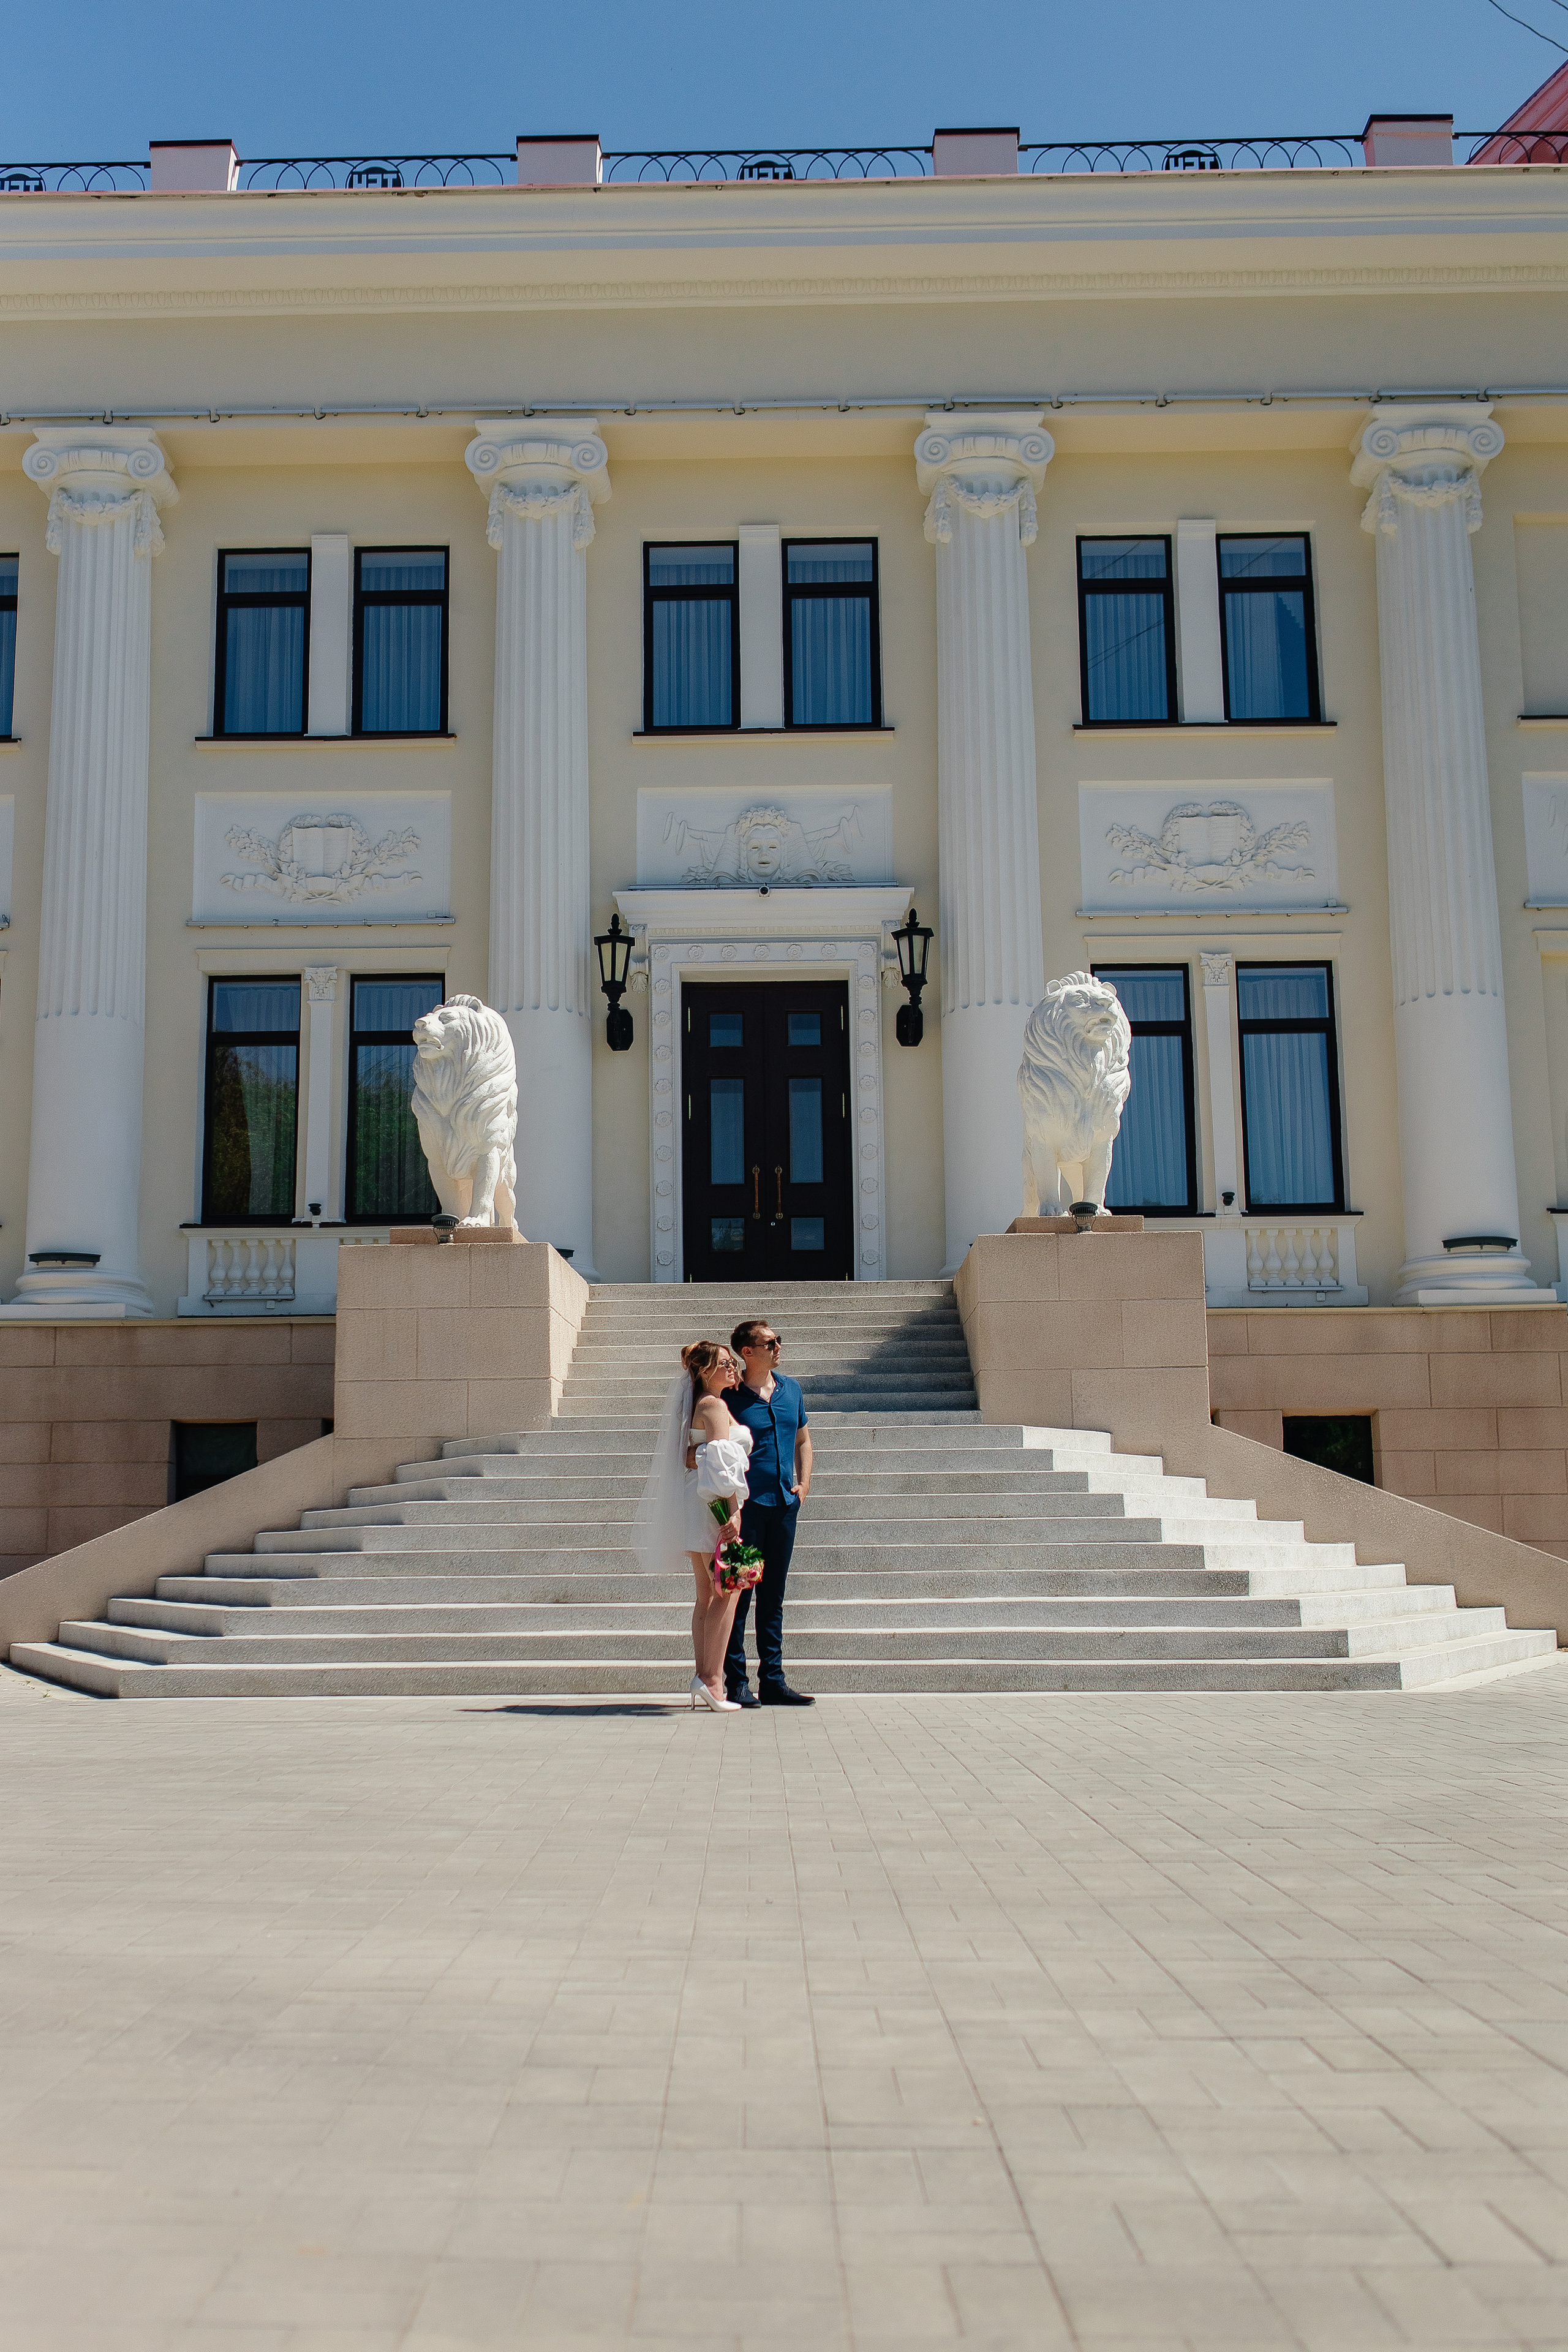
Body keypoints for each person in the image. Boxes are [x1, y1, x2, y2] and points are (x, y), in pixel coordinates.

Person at [631, 1339, 751, 1713]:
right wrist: (734, 1511)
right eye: (725, 1364)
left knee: (706, 1595)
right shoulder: (713, 1405)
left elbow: (695, 1456)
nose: (733, 1369)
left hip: (694, 1500)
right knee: (727, 1591)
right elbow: (721, 1463)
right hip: (710, 1504)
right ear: (705, 1371)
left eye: (733, 1364)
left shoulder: (698, 1405)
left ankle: (704, 1677)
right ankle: (712, 1680)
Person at [723, 1319, 815, 1708]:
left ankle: (773, 1680)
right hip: (745, 1513)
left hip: (782, 1506)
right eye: (770, 1342)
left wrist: (804, 1482)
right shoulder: (729, 1395)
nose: (779, 1346)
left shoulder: (791, 1389)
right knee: (739, 1594)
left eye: (778, 1340)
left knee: (773, 1595)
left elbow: (803, 1438)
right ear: (748, 1352)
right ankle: (736, 1683)